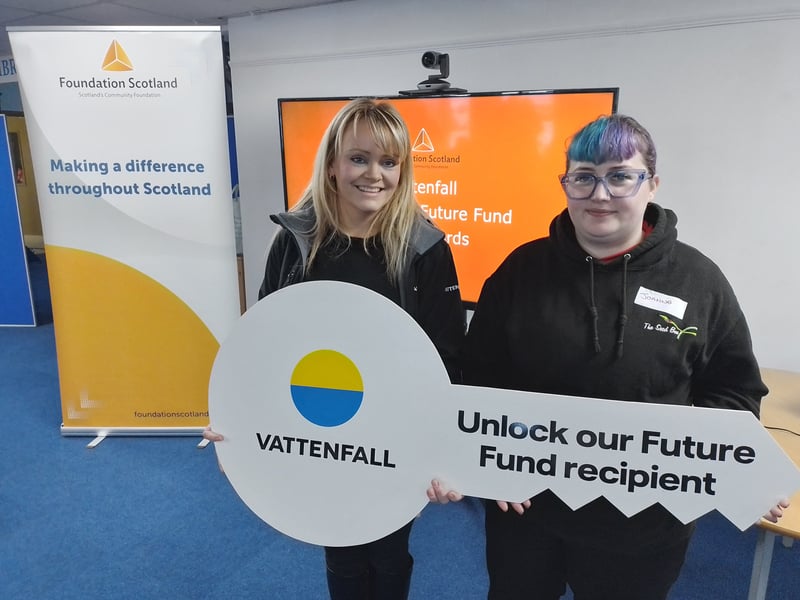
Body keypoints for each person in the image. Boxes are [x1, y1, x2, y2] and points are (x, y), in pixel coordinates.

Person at [461, 113, 788, 600]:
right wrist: (487, 467)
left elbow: (734, 392)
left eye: (620, 176)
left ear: (651, 183)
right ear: (565, 184)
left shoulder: (699, 282)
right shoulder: (519, 271)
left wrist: (728, 464)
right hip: (527, 512)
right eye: (584, 177)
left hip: (646, 520)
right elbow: (476, 378)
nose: (600, 193)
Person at [204, 97, 465, 600]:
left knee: (387, 550)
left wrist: (444, 448)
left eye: (389, 162)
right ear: (331, 166)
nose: (375, 175)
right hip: (319, 420)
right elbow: (262, 345)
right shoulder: (297, 243)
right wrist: (236, 423)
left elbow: (448, 358)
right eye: (359, 158)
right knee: (339, 544)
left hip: (396, 430)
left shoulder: (425, 249)